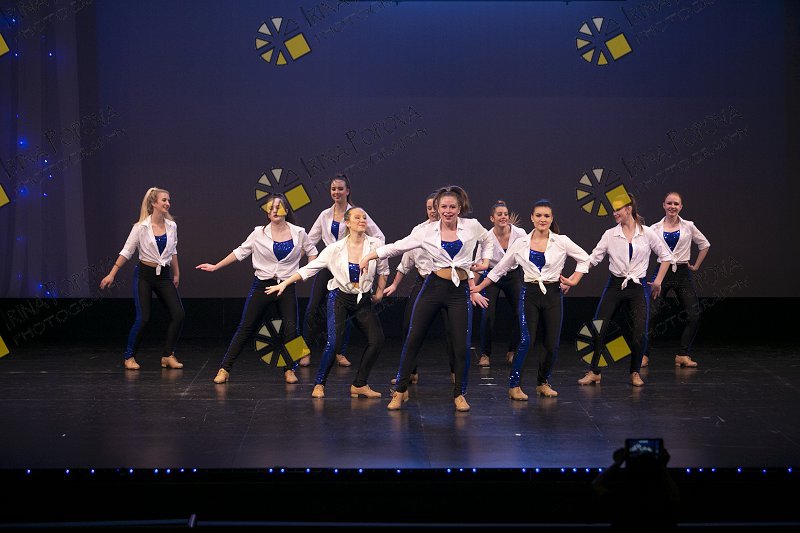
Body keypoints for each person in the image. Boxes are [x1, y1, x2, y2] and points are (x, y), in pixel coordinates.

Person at [360, 185, 491, 412]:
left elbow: (488, 240)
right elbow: (397, 247)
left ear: (460, 207)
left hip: (458, 291)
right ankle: (400, 391)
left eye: (452, 207)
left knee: (461, 345)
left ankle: (460, 394)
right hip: (433, 287)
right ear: (437, 208)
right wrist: (370, 256)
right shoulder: (425, 232)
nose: (447, 211)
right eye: (444, 207)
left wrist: (486, 261)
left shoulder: (472, 226)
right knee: (413, 338)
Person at [473, 199, 590, 400]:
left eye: (546, 216)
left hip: (553, 294)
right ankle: (514, 385)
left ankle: (543, 383)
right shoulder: (521, 243)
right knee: (527, 340)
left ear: (551, 219)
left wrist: (573, 280)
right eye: (538, 215)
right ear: (532, 218)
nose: (542, 219)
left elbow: (584, 258)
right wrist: (478, 287)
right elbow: (499, 269)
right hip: (530, 294)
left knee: (552, 343)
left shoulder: (561, 241)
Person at [195, 194, 318, 384]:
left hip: (286, 287)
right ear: (267, 214)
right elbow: (240, 252)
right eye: (271, 208)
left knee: (291, 329)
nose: (275, 210)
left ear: (286, 210)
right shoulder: (258, 233)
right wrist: (216, 266)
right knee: (245, 327)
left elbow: (312, 252)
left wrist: (304, 273)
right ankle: (224, 369)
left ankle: (290, 369)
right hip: (262, 285)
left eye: (279, 207)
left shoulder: (299, 232)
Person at [268, 207, 389, 399]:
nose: (362, 220)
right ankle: (319, 383)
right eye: (357, 217)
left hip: (362, 299)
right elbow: (309, 269)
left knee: (377, 340)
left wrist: (380, 292)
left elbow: (383, 270)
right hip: (340, 298)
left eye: (364, 217)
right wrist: (285, 283)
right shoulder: (335, 248)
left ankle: (359, 384)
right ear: (347, 223)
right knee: (334, 342)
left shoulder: (376, 245)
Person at [571, 194, 673, 387]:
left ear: (629, 209)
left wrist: (658, 281)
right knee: (598, 328)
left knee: (638, 332)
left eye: (618, 209)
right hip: (615, 285)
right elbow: (593, 259)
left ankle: (635, 372)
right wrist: (574, 279)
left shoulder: (647, 233)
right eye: (613, 210)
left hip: (638, 287)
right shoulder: (610, 234)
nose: (614, 213)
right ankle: (595, 372)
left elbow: (666, 256)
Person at [304, 174, 385, 368]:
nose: (336, 192)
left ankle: (340, 352)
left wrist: (369, 255)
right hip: (330, 265)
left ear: (348, 191)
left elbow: (379, 237)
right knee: (312, 308)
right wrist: (311, 260)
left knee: (347, 311)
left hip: (350, 266)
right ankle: (303, 351)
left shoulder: (356, 214)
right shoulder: (325, 215)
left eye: (340, 189)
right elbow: (309, 240)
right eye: (333, 189)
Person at [100, 187, 185, 370]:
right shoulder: (140, 227)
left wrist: (176, 273)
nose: (168, 203)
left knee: (178, 314)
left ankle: (168, 355)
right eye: (164, 200)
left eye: (169, 200)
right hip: (144, 276)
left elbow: (173, 250)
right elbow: (127, 251)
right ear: (153, 203)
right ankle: (129, 356)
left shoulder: (172, 226)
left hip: (164, 276)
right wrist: (112, 273)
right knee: (144, 318)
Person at [383, 192, 456, 385]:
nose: (432, 211)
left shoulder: (454, 229)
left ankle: (456, 372)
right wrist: (394, 284)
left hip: (448, 285)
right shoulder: (419, 231)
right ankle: (410, 372)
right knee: (410, 327)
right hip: (424, 283)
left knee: (453, 331)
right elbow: (406, 261)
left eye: (435, 207)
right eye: (429, 208)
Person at [641, 192, 710, 368]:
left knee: (694, 314)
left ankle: (683, 354)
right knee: (651, 314)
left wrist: (695, 266)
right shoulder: (654, 228)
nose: (672, 206)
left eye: (676, 204)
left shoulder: (689, 226)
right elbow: (644, 250)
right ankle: (644, 354)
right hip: (661, 273)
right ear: (663, 205)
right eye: (669, 203)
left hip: (682, 273)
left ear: (681, 207)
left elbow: (704, 244)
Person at [473, 200, 527, 368]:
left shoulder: (520, 233)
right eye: (499, 214)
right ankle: (485, 354)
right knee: (488, 315)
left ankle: (512, 350)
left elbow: (527, 257)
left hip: (513, 275)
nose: (503, 217)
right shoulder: (486, 237)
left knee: (520, 312)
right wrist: (473, 288)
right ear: (492, 218)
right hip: (492, 276)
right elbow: (478, 264)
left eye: (505, 214)